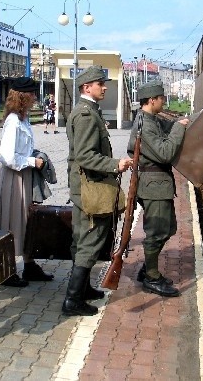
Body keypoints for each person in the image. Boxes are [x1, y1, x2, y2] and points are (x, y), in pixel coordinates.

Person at [63, 65, 133, 316]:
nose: (104, 87)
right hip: (89, 186)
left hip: (86, 185)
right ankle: (72, 301)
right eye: (99, 84)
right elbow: (85, 155)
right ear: (86, 87)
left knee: (84, 237)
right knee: (90, 240)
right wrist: (116, 164)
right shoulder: (85, 115)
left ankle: (81, 290)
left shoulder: (88, 112)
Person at [128, 80, 189, 297]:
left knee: (167, 229)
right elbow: (164, 152)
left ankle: (148, 268)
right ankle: (151, 277)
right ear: (152, 100)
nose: (164, 101)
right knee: (156, 232)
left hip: (158, 185)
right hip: (153, 186)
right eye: (162, 98)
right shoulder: (144, 124)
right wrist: (179, 129)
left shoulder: (151, 120)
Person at [0, 77, 54, 288]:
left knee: (25, 222)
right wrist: (32, 161)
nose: (36, 98)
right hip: (14, 178)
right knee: (11, 222)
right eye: (32, 94)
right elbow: (8, 157)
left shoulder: (23, 119)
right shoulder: (13, 121)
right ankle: (6, 271)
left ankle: (29, 265)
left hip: (23, 176)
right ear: (24, 96)